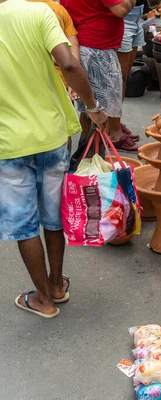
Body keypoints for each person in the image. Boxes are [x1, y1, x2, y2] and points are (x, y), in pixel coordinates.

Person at [0, 0, 107, 318]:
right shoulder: (40, 12)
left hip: (9, 142)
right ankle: (58, 284)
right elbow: (70, 65)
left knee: (24, 224)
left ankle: (43, 300)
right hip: (52, 134)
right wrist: (92, 106)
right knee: (52, 213)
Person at [61, 0, 138, 151]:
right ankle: (93, 159)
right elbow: (121, 9)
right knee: (100, 112)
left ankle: (87, 156)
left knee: (91, 110)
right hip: (96, 49)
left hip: (85, 45)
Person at [113, 0, 146, 142]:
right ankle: (113, 132)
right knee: (117, 80)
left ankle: (115, 123)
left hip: (136, 14)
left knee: (124, 78)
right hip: (123, 15)